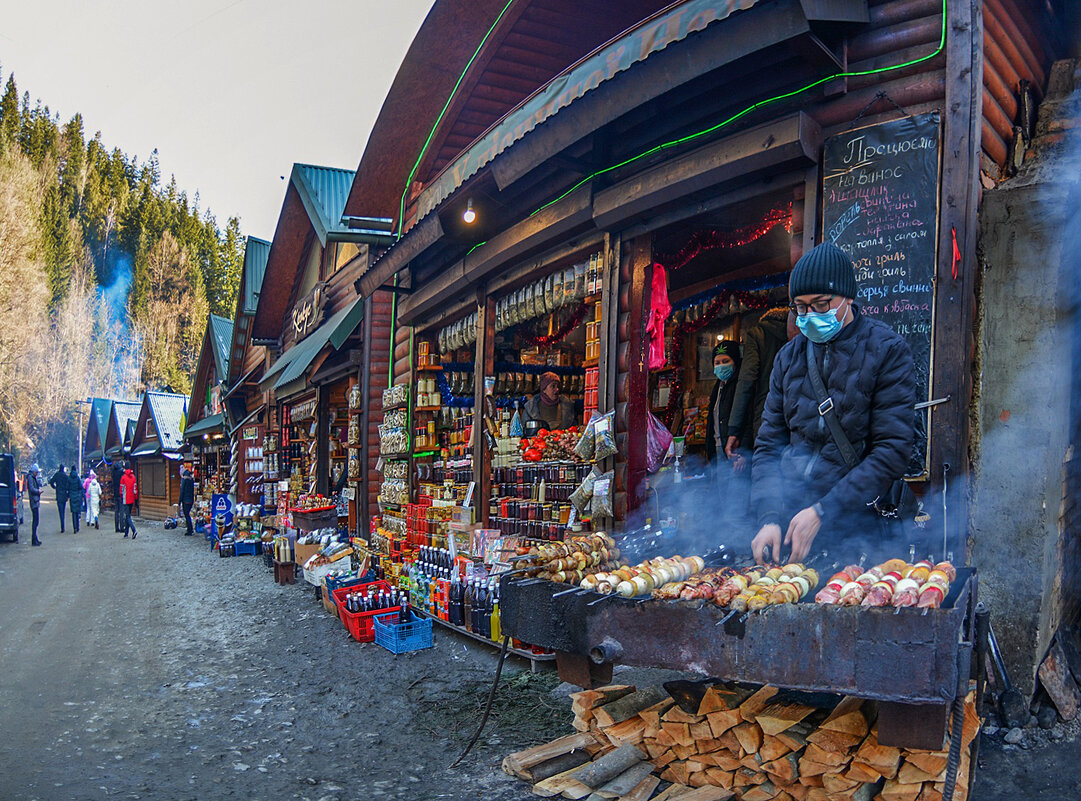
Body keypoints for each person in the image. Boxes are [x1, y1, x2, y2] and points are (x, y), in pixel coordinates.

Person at [750, 242, 916, 565]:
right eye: (800, 306)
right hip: (795, 526)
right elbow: (769, 444)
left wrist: (824, 510)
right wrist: (768, 515)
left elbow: (892, 451)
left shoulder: (888, 351)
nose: (809, 316)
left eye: (821, 305)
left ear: (847, 298)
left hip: (861, 527)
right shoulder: (788, 358)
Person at [725, 306, 798, 460]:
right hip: (799, 410)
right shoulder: (802, 329)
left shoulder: (758, 334)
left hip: (768, 414)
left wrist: (734, 429)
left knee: (769, 467)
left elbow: (746, 381)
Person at [704, 340, 742, 466]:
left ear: (735, 361)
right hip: (718, 448)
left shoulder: (740, 385)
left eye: (726, 361)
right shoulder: (718, 388)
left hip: (733, 451)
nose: (721, 366)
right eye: (717, 363)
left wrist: (741, 452)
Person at [119, 463, 138, 539]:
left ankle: (134, 530)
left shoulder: (123, 477)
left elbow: (121, 490)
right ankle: (126, 533)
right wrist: (135, 498)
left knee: (127, 516)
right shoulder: (133, 477)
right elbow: (135, 489)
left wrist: (121, 497)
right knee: (128, 515)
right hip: (132, 499)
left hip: (125, 499)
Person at [48, 463, 69, 533]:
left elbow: (51, 482)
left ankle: (62, 526)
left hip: (59, 494)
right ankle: (63, 526)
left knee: (60, 511)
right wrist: (67, 493)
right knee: (63, 510)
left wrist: (55, 487)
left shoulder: (57, 475)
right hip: (64, 495)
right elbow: (68, 484)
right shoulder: (65, 476)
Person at [25, 464, 42, 546]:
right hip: (34, 501)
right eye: (36, 472)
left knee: (36, 521)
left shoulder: (31, 477)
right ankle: (34, 540)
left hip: (35, 501)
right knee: (35, 521)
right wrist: (38, 491)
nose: (37, 474)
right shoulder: (31, 478)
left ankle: (35, 539)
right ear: (34, 471)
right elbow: (31, 489)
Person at [179, 466, 195, 536]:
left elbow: (182, 491)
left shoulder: (184, 479)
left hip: (185, 500)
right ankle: (190, 529)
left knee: (187, 515)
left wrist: (179, 501)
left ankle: (190, 530)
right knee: (188, 514)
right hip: (191, 499)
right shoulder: (191, 479)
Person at [67, 465, 83, 533]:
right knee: (77, 512)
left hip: (72, 496)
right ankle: (78, 527)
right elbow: (80, 487)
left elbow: (67, 487)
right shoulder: (77, 478)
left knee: (73, 513)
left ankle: (75, 528)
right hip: (77, 496)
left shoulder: (69, 478)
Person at [111, 461, 124, 532]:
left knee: (116, 511)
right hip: (120, 493)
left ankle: (116, 527)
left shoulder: (113, 473)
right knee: (121, 511)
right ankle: (122, 527)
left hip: (115, 493)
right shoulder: (121, 473)